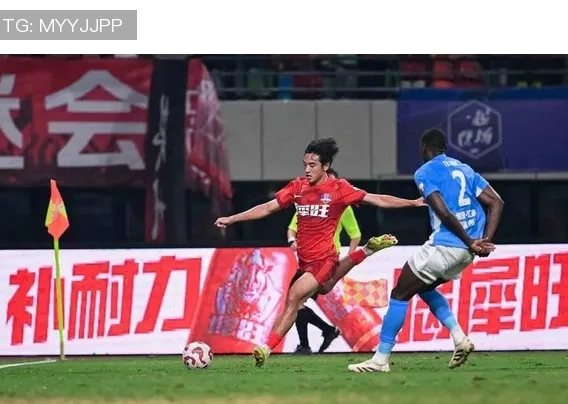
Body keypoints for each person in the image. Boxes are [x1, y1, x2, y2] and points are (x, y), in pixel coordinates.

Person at [214, 137, 424, 367]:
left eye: (312, 165)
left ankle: (265, 348)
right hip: (304, 261)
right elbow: (267, 207)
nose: (307, 170)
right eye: (305, 164)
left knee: (294, 297)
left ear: (325, 166)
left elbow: (377, 199)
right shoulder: (297, 187)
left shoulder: (339, 189)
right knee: (324, 288)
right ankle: (366, 251)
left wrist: (412, 203)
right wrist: (232, 219)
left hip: (325, 259)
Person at [348, 128, 504, 373]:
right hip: (466, 252)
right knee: (423, 287)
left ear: (423, 148)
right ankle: (459, 338)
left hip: (448, 245)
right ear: (445, 148)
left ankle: (380, 360)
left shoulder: (425, 172)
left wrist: (469, 241)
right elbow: (496, 202)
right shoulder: (464, 168)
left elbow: (443, 212)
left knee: (399, 293)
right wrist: (483, 241)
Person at [287, 167, 361, 354]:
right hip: (307, 260)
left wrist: (348, 261)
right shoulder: (308, 202)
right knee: (295, 301)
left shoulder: (342, 204)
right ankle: (326, 332)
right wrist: (292, 240)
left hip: (326, 260)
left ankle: (306, 344)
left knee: (296, 301)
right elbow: (292, 227)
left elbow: (355, 235)